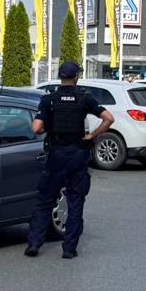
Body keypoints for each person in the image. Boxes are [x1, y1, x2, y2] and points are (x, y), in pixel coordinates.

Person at [25, 61, 114, 259]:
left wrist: (50, 127)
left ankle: (34, 244)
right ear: (76, 78)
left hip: (56, 156)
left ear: (60, 77)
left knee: (44, 201)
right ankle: (69, 249)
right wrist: (92, 136)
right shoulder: (85, 99)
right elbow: (109, 118)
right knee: (75, 203)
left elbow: (36, 128)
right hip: (77, 156)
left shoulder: (50, 100)